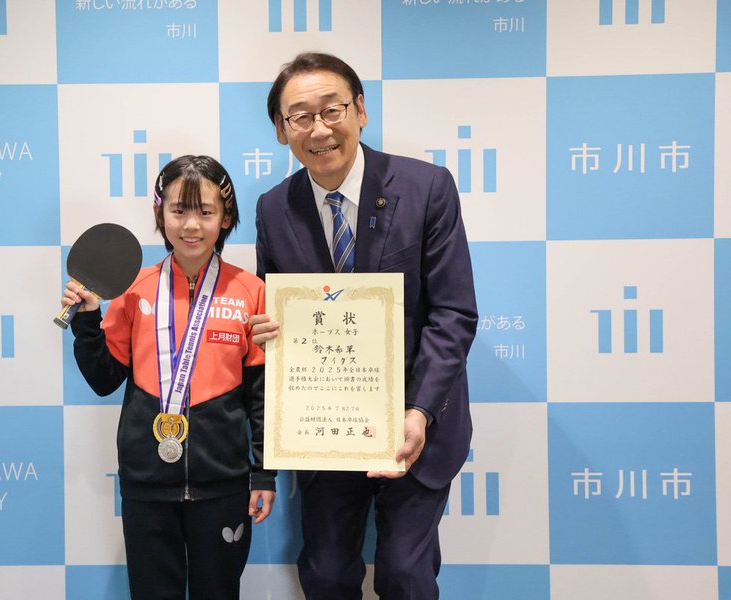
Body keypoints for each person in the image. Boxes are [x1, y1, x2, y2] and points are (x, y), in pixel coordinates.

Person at [250, 53, 477, 599]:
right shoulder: (273, 208)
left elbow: (454, 313)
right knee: (325, 575)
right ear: (282, 131)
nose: (320, 128)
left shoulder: (426, 187)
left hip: (416, 425)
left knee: (404, 573)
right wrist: (268, 332)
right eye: (299, 116)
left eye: (333, 109)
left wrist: (418, 412)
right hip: (325, 427)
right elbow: (278, 312)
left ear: (361, 111)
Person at [62, 155, 276, 600]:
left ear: (226, 217)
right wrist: (87, 320)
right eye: (179, 210)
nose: (191, 225)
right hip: (147, 482)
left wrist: (264, 476)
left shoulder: (251, 290)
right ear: (160, 214)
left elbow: (260, 397)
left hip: (224, 482)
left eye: (206, 211)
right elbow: (104, 379)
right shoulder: (134, 290)